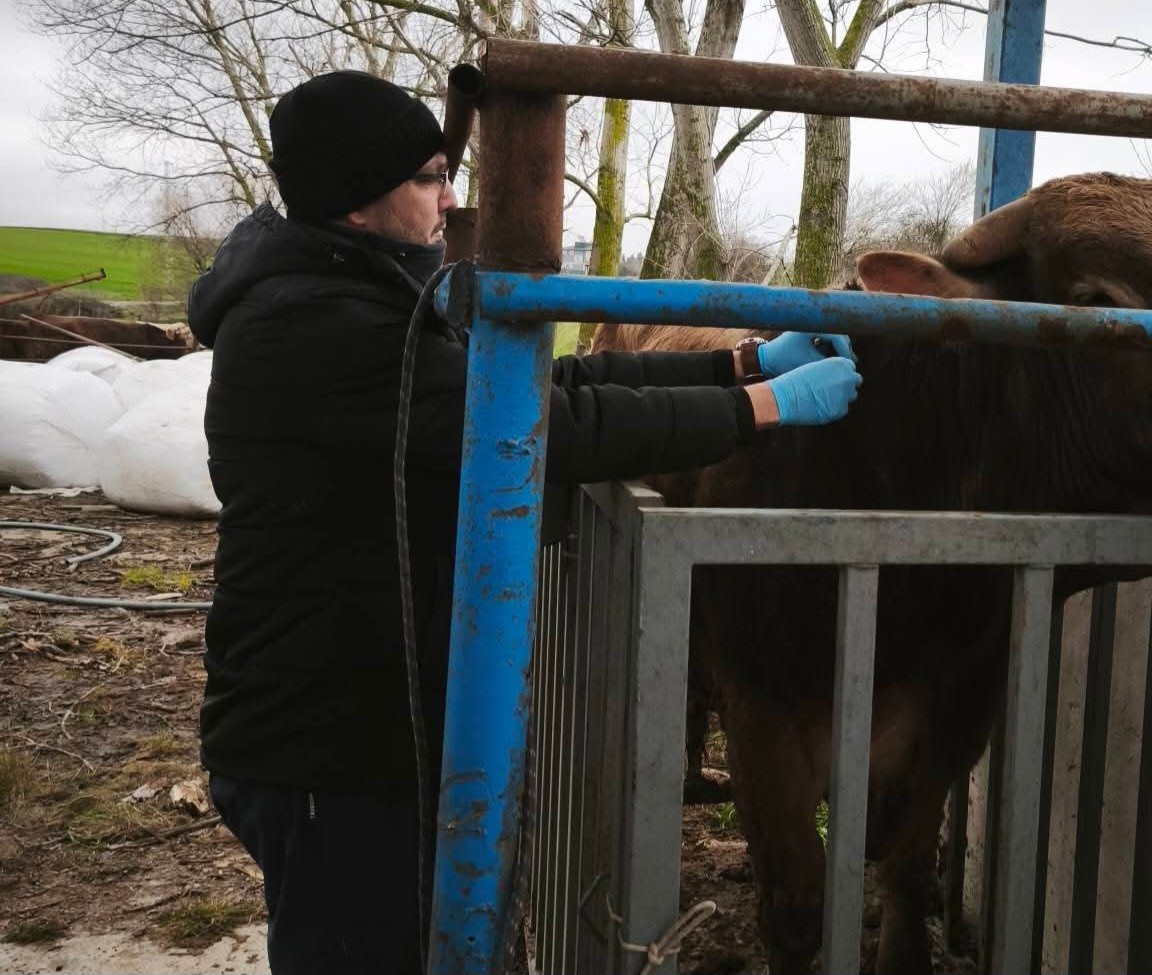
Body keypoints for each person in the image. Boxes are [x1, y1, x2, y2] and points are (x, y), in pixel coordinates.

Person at [187, 70, 862, 975]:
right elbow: (548, 424)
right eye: (430, 174)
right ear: (355, 198)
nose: (452, 196)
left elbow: (548, 386)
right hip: (330, 742)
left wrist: (740, 363)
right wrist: (765, 412)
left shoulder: (361, 290)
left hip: (366, 712)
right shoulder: (313, 326)